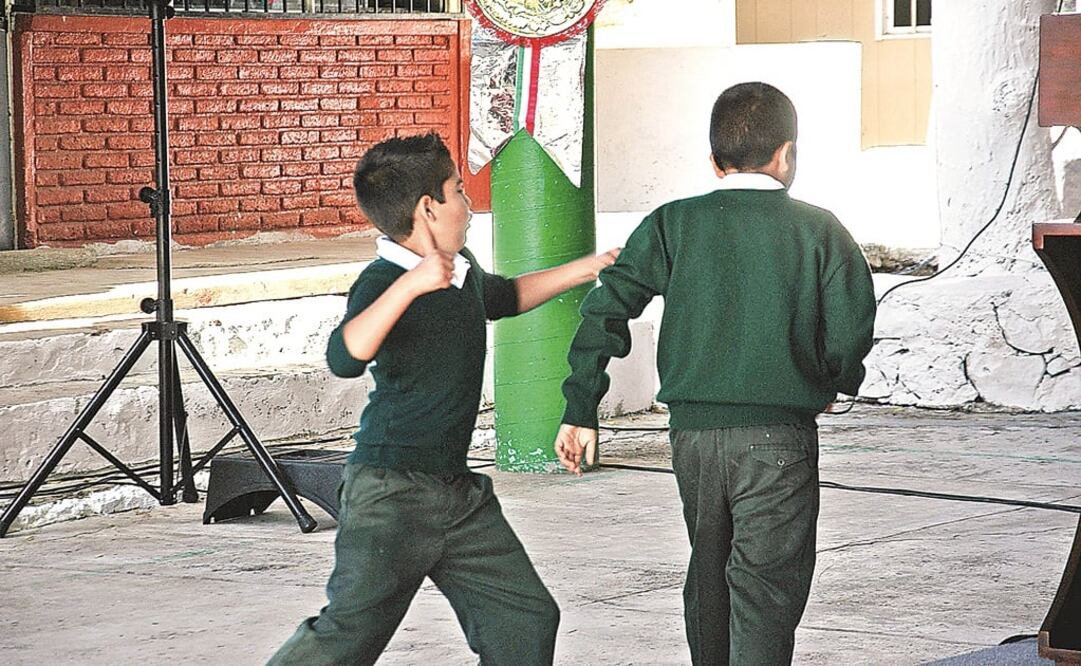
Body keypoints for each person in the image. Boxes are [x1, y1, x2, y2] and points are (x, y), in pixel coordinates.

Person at [553, 82, 877, 665]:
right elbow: (852, 326)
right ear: (787, 154)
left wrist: (582, 406)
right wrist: (833, 380)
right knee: (765, 589)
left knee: (708, 575)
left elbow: (606, 307)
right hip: (778, 438)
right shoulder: (820, 229)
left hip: (693, 439)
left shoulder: (672, 223)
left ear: (714, 161)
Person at [268, 132, 617, 666]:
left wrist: (592, 266)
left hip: (458, 496)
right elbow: (344, 356)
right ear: (428, 208)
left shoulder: (463, 267)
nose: (469, 203)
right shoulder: (384, 279)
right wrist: (412, 286)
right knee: (346, 638)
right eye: (459, 190)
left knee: (524, 619)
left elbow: (506, 297)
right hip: (391, 493)